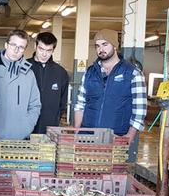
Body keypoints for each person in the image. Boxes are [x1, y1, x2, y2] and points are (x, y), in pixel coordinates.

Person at [73, 30, 147, 161]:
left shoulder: (132, 73)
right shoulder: (89, 73)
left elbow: (139, 110)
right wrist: (78, 131)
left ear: (114, 45)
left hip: (116, 137)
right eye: (97, 46)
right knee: (86, 174)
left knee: (111, 177)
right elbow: (80, 104)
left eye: (104, 44)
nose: (101, 49)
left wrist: (129, 136)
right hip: (88, 137)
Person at [0, 29, 41, 139]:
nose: (16, 50)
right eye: (13, 45)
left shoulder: (29, 74)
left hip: (20, 137)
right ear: (6, 45)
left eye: (21, 47)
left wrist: (27, 127)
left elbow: (35, 105)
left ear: (24, 50)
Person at [28, 31, 70, 134]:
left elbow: (62, 103)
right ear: (35, 46)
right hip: (26, 127)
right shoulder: (24, 67)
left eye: (48, 50)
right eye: (41, 49)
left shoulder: (61, 73)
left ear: (53, 50)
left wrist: (54, 120)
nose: (44, 54)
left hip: (49, 128)